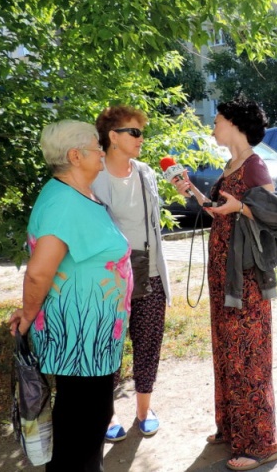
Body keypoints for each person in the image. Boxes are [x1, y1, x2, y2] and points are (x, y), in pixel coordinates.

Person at [170, 98, 277, 471]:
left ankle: (261, 443)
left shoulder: (255, 166)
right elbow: (217, 208)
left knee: (249, 358)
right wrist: (191, 192)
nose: (213, 124)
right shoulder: (231, 165)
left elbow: (274, 215)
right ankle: (232, 429)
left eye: (219, 119)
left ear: (236, 124)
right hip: (225, 275)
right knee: (228, 353)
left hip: (246, 280)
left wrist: (240, 208)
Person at [9, 120, 132, 471]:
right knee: (82, 425)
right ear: (75, 156)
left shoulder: (79, 194)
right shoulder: (63, 202)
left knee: (89, 420)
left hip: (92, 340)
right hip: (78, 340)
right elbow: (38, 271)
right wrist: (28, 314)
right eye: (97, 147)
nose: (102, 153)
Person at [92, 105, 171, 442]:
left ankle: (143, 410)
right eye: (134, 132)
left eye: (141, 132)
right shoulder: (93, 177)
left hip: (149, 272)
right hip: (110, 279)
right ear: (113, 136)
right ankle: (106, 414)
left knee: (149, 343)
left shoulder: (145, 173)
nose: (141, 139)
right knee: (108, 348)